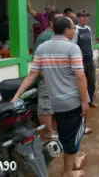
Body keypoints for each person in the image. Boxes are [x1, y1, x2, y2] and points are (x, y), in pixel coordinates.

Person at [11, 16, 88, 177]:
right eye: (73, 28)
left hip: (56, 102)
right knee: (73, 135)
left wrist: (16, 96)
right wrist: (84, 101)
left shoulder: (42, 48)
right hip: (72, 101)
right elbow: (80, 76)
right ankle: (68, 172)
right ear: (66, 31)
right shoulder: (72, 48)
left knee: (66, 133)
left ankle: (74, 162)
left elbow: (32, 74)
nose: (74, 31)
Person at [33, 11, 63, 140]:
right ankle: (49, 132)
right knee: (46, 107)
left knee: (55, 105)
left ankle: (55, 128)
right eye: (60, 19)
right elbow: (37, 59)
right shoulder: (44, 37)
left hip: (58, 78)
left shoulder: (58, 36)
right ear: (51, 23)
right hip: (47, 78)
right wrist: (45, 76)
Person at [72, 10, 97, 135]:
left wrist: (92, 54)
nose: (85, 19)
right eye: (83, 17)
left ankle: (91, 100)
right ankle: (83, 102)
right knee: (83, 83)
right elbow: (73, 45)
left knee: (92, 81)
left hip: (90, 59)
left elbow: (90, 43)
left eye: (87, 17)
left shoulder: (88, 28)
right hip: (80, 61)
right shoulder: (75, 30)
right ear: (78, 18)